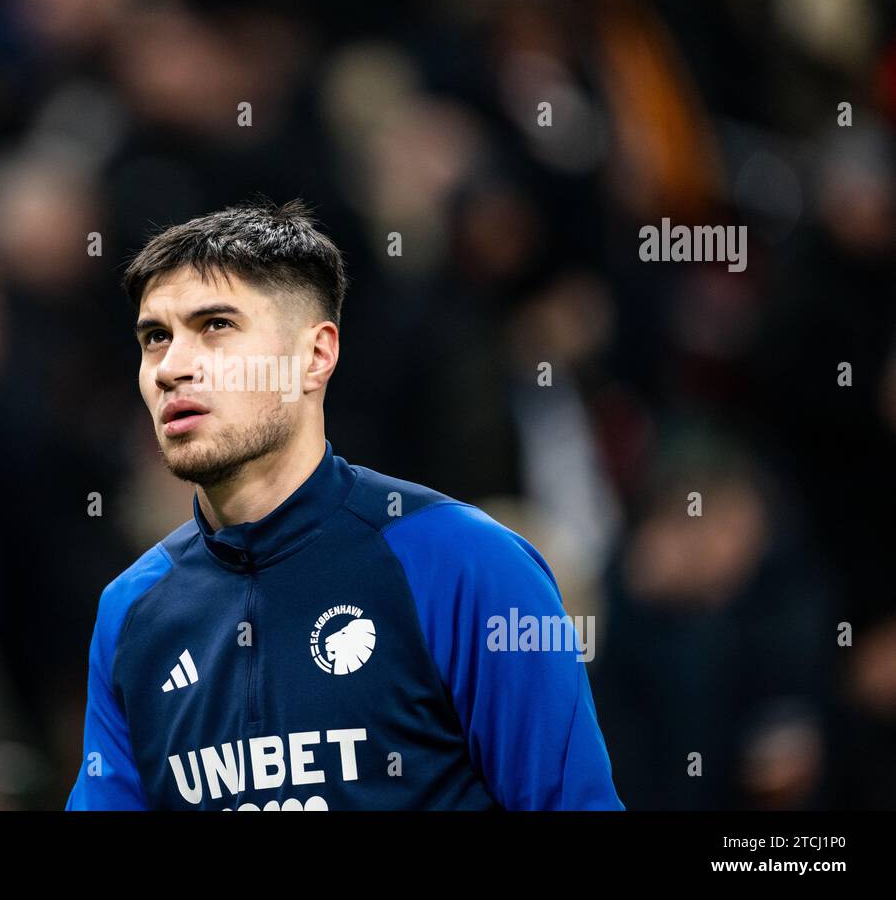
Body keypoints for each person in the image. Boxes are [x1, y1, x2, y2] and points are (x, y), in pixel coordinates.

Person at [65, 198, 623, 810]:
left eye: (216, 327)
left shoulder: (466, 563)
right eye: (155, 338)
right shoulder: (130, 614)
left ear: (315, 355)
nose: (172, 367)